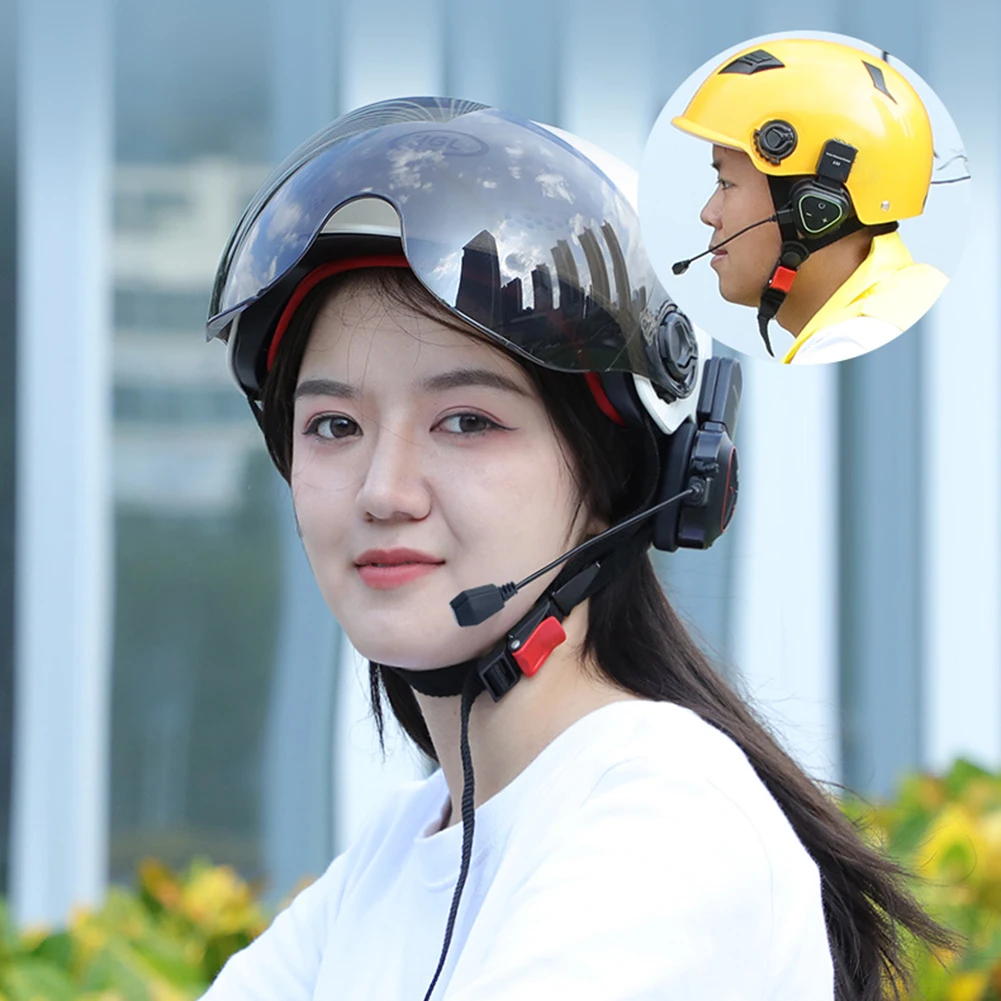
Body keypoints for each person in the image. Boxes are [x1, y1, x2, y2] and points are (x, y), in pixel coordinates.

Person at [201, 97, 950, 1000]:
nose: (383, 491)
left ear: (618, 477)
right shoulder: (396, 856)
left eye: (466, 421)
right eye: (333, 425)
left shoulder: (668, 818)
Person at [670, 37, 949, 364]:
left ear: (818, 208)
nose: (708, 214)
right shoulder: (917, 299)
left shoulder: (851, 342)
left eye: (726, 183)